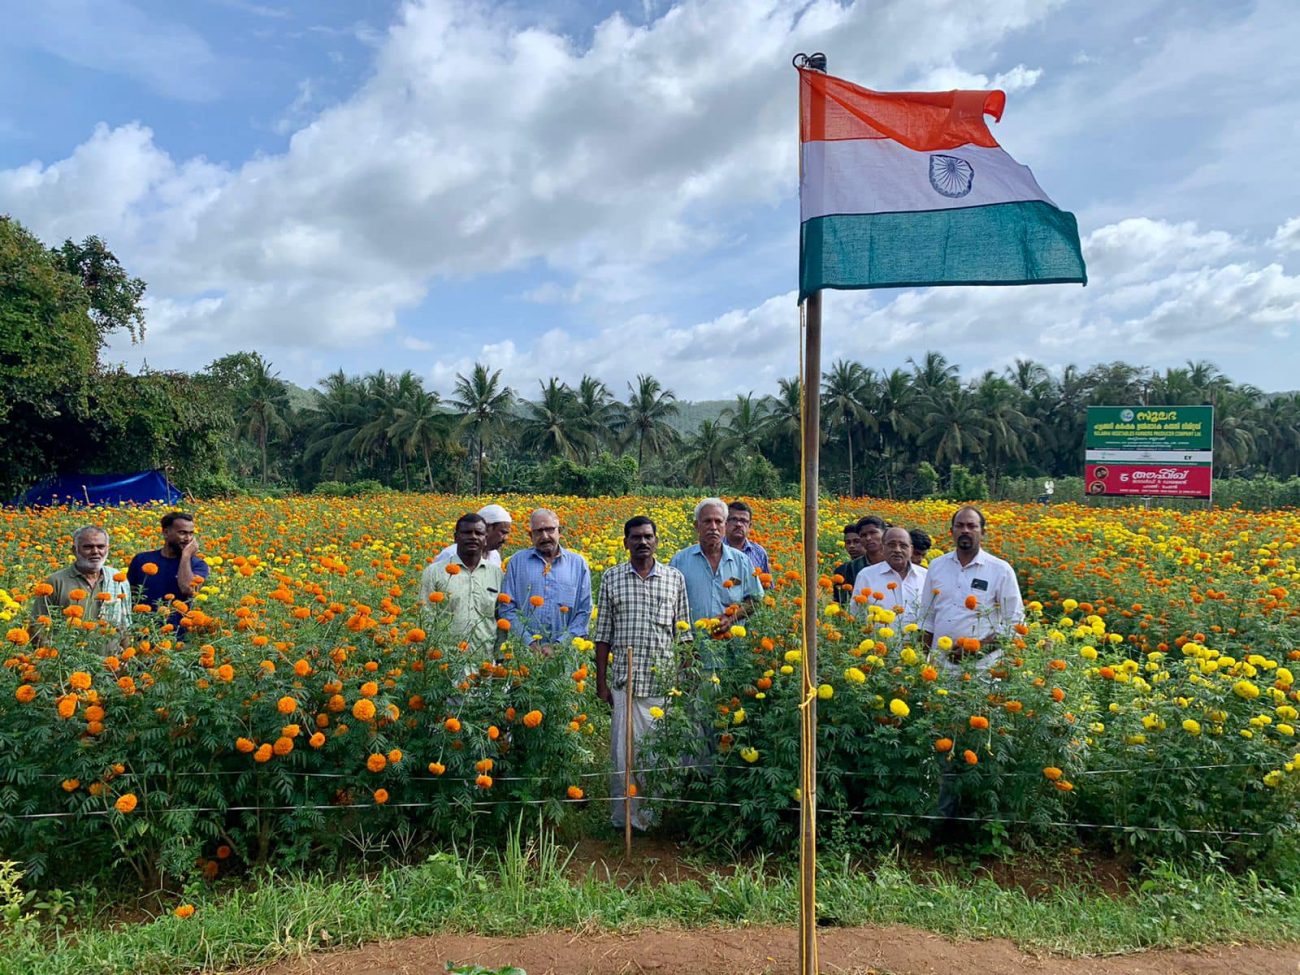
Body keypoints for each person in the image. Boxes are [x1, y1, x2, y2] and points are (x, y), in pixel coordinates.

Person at [593, 516, 693, 832]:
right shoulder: (611, 578)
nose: (643, 542)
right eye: (636, 537)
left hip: (663, 684)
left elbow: (685, 635)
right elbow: (603, 634)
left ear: (657, 540)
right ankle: (625, 820)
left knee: (659, 755)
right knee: (624, 756)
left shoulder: (674, 579)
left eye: (648, 536)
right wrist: (601, 683)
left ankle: (657, 817)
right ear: (625, 542)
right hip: (625, 682)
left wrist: (684, 680)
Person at [919, 506, 1024, 676]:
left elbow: (1015, 623)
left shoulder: (1000, 570)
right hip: (940, 669)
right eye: (959, 526)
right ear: (951, 531)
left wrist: (978, 648)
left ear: (983, 532)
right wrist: (921, 662)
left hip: (982, 670)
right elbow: (927, 618)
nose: (965, 530)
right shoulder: (936, 566)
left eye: (971, 526)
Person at [669, 498, 762, 644]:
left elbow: (756, 600)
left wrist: (731, 618)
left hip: (732, 652)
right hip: (692, 653)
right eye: (707, 521)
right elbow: (669, 607)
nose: (713, 527)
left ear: (725, 526)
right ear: (696, 526)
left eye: (718, 522)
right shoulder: (679, 561)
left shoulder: (741, 561)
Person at [499, 508, 592, 652]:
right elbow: (506, 608)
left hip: (564, 655)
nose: (545, 536)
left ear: (559, 531)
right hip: (524, 653)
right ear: (530, 535)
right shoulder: (517, 562)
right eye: (538, 531)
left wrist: (559, 645)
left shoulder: (578, 564)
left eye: (549, 529)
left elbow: (584, 611)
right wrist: (529, 643)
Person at [419, 513, 504, 656]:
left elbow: (500, 617)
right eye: (467, 533)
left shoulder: (497, 574)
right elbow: (425, 617)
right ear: (456, 537)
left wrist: (500, 657)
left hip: (484, 660)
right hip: (445, 661)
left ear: (485, 539)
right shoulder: (434, 572)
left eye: (479, 533)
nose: (473, 537)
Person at [32, 525, 131, 641]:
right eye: (88, 547)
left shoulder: (117, 580)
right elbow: (37, 627)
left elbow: (125, 624)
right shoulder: (56, 582)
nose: (95, 551)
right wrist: (52, 656)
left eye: (101, 546)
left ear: (107, 549)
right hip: (68, 656)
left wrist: (125, 656)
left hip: (111, 657)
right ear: (75, 550)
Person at [127, 512, 209, 629]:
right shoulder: (142, 560)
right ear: (166, 532)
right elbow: (131, 595)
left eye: (191, 534)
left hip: (180, 635)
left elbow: (188, 589)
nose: (188, 539)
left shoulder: (198, 565)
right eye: (182, 533)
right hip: (145, 631)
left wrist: (186, 556)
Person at [853, 527, 928, 630]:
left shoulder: (925, 576)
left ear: (911, 550)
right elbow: (856, 614)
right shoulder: (866, 576)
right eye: (891, 545)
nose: (897, 550)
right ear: (883, 548)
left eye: (903, 546)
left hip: (917, 644)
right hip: (879, 643)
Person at [431, 503, 513, 569]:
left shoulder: (494, 556)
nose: (505, 538)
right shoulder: (451, 554)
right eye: (503, 532)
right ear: (487, 528)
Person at [724, 500, 771, 581]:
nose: (738, 524)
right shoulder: (713, 549)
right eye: (734, 519)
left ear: (750, 525)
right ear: (725, 522)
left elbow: (767, 586)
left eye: (743, 521)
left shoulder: (759, 553)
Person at [832, 521, 865, 606]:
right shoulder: (841, 571)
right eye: (848, 542)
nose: (851, 546)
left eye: (856, 541)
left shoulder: (878, 567)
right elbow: (840, 602)